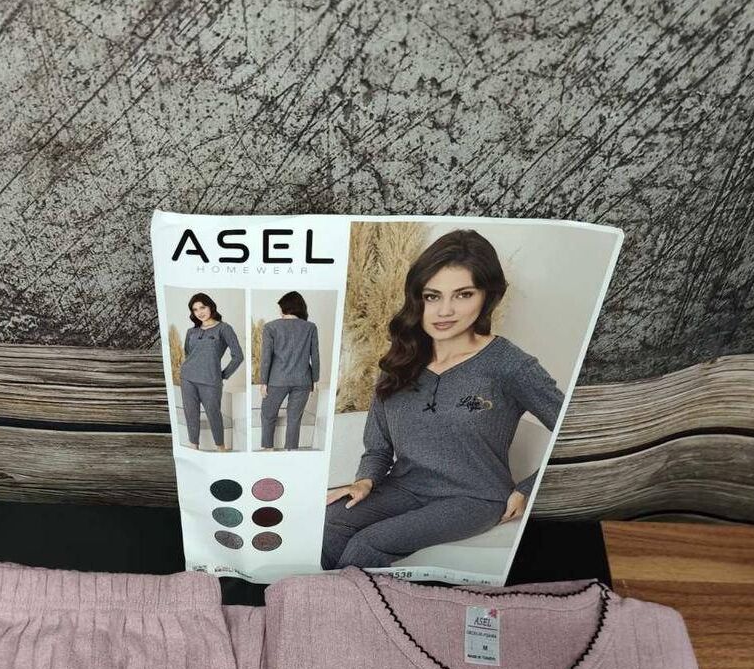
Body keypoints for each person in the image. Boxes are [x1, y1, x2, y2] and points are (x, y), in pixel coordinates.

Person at [323, 230, 565, 570]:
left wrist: (529, 487)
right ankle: (301, 601)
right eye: (432, 296)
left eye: (463, 294)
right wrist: (364, 481)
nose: (444, 310)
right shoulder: (399, 361)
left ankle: (338, 606)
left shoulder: (510, 365)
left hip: (474, 498)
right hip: (405, 487)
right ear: (417, 299)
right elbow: (378, 448)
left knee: (369, 544)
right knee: (328, 524)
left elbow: (574, 430)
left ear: (487, 296)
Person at [179, 294, 244, 451]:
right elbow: (188, 354)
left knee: (213, 414)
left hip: (210, 381)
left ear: (211, 306)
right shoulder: (191, 332)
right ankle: (194, 448)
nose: (199, 312)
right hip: (188, 378)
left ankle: (221, 448)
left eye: (202, 307)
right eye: (195, 309)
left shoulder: (224, 328)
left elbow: (238, 356)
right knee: (191, 414)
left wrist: (223, 374)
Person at [258, 291, 320, 450]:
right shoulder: (310, 327)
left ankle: (268, 449)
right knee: (294, 419)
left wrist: (263, 382)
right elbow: (315, 355)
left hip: (277, 380)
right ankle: (290, 451)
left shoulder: (271, 327)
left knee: (268, 414)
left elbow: (266, 357)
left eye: (280, 307)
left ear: (285, 307)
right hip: (303, 380)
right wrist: (315, 380)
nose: (279, 311)